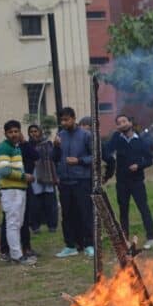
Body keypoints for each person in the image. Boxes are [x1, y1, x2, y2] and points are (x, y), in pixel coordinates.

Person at [104, 114, 153, 249]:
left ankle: (151, 238)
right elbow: (107, 151)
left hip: (137, 181)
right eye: (119, 123)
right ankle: (125, 240)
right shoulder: (117, 139)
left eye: (124, 121)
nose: (122, 124)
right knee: (123, 211)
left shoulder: (140, 140)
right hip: (122, 182)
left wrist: (138, 166)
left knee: (143, 208)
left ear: (130, 123)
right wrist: (115, 135)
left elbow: (149, 160)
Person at [0, 120, 36, 265]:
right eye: (10, 132)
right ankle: (17, 256)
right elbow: (4, 171)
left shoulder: (16, 147)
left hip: (19, 189)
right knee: (13, 223)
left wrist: (24, 178)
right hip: (10, 190)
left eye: (16, 131)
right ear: (5, 134)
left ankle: (16, 253)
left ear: (20, 132)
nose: (14, 134)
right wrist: (25, 176)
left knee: (18, 223)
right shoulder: (3, 148)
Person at [53, 107, 94, 258]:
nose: (64, 123)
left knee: (85, 213)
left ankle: (89, 244)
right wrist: (56, 147)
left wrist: (79, 161)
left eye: (66, 119)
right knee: (67, 215)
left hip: (82, 180)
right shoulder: (60, 136)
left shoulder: (86, 135)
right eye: (62, 120)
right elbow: (54, 158)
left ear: (74, 118)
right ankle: (71, 245)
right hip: (65, 181)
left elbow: (95, 156)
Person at [27, 125, 58, 234]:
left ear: (40, 132)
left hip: (48, 175)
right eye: (31, 131)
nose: (33, 133)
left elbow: (52, 158)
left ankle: (52, 225)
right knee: (35, 203)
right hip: (34, 176)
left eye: (35, 131)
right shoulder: (27, 146)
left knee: (50, 202)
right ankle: (35, 226)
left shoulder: (47, 143)